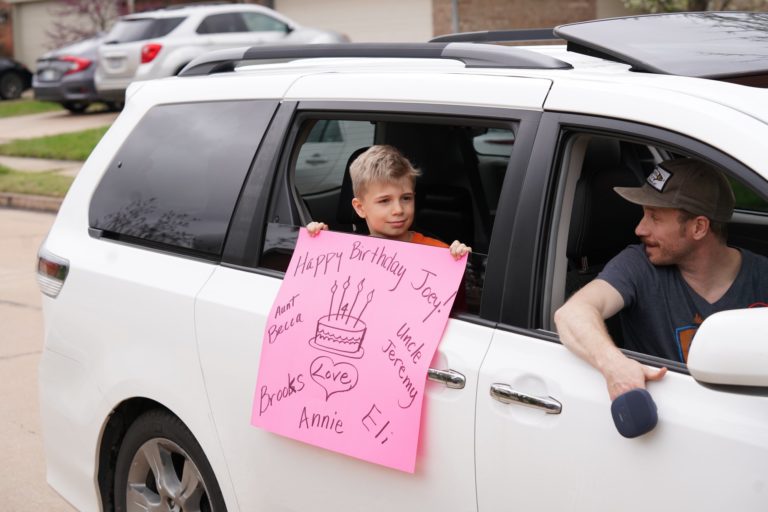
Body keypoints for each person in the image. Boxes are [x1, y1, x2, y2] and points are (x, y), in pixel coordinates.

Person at [554, 157, 768, 400]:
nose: (640, 229)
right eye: (644, 214)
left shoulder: (762, 277)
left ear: (698, 228)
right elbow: (572, 314)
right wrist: (615, 365)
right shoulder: (638, 265)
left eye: (654, 218)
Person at [306, 144, 472, 259]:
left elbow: (455, 305)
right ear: (360, 207)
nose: (398, 210)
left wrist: (458, 262)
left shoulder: (439, 252)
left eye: (406, 198)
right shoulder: (345, 254)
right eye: (385, 201)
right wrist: (319, 245)